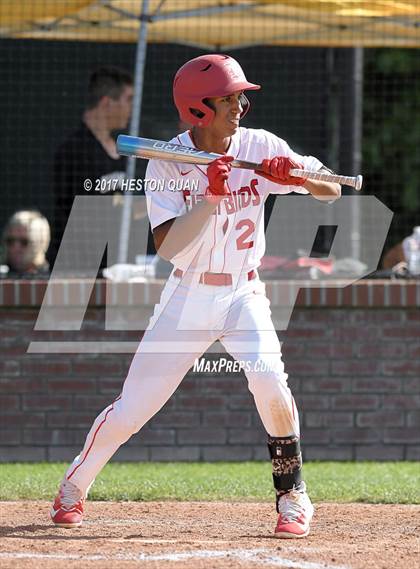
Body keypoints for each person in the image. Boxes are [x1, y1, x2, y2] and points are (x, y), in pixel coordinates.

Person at [50, 54, 340, 538]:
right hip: (188, 296)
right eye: (229, 98)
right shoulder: (169, 161)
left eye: (240, 96)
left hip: (245, 293)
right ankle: (74, 486)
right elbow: (169, 246)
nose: (240, 105)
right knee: (133, 410)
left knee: (269, 380)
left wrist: (297, 177)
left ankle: (292, 494)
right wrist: (210, 197)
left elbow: (333, 188)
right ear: (198, 109)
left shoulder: (261, 145)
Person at [52, 66, 134, 264]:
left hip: (115, 261)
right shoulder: (73, 150)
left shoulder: (121, 150)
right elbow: (76, 211)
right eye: (128, 99)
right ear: (107, 103)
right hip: (79, 264)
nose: (132, 108)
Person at [1, 210, 50, 278]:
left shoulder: (53, 281)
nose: (15, 248)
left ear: (40, 244)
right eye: (10, 241)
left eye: (24, 242)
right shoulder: (3, 277)